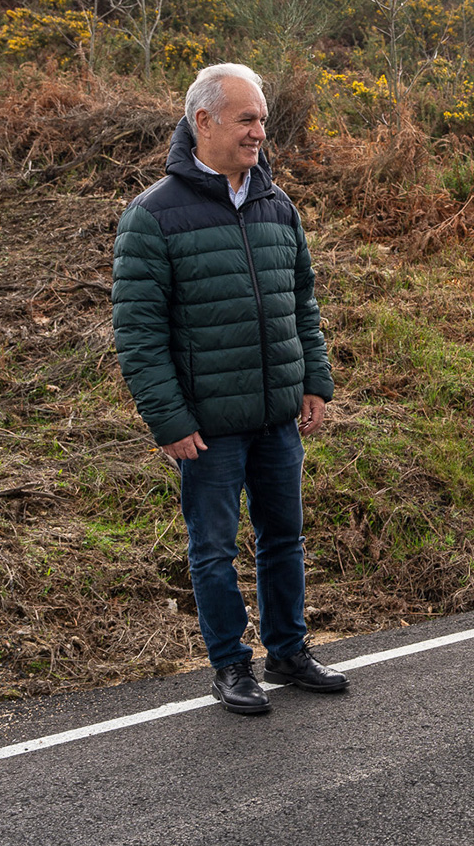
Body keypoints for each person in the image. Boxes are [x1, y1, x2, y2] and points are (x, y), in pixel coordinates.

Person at [112, 63, 348, 715]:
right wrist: (168, 418)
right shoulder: (152, 217)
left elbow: (301, 303)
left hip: (277, 415)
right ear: (204, 122)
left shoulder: (278, 206)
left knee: (283, 539)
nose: (259, 132)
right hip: (207, 426)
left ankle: (290, 652)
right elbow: (137, 333)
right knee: (213, 548)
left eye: (262, 119)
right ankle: (230, 665)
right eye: (247, 118)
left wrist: (313, 381)